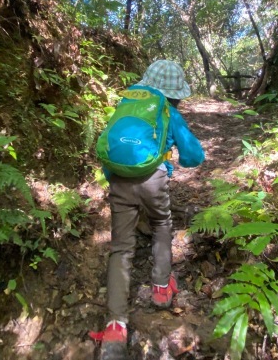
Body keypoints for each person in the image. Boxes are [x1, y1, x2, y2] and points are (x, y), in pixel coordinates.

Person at [90, 60, 205, 358]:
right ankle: (160, 288)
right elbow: (193, 155)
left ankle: (115, 327)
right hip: (154, 181)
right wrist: (177, 161)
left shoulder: (128, 102)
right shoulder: (170, 111)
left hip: (119, 181)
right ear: (174, 91)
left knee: (121, 247)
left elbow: (110, 144)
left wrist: (114, 176)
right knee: (162, 224)